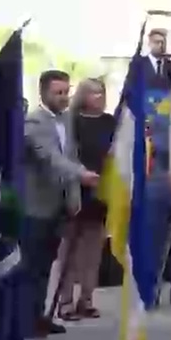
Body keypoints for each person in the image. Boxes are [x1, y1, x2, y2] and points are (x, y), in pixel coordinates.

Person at [21, 70, 101, 339]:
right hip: (35, 207)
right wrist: (82, 174)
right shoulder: (33, 122)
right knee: (31, 267)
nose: (64, 97)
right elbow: (51, 158)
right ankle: (25, 320)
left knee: (46, 266)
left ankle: (39, 317)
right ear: (42, 93)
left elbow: (71, 154)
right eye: (58, 92)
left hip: (59, 206)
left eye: (67, 91)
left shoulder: (66, 119)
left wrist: (75, 196)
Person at [55, 79, 117, 321]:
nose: (99, 96)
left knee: (93, 251)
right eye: (93, 92)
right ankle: (66, 301)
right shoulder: (71, 120)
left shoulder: (110, 121)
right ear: (83, 95)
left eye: (101, 91)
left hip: (101, 190)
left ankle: (87, 299)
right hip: (76, 188)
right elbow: (66, 153)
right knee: (69, 250)